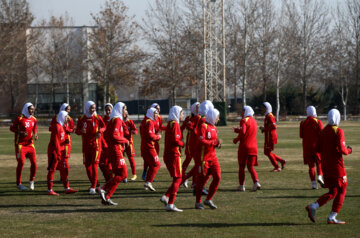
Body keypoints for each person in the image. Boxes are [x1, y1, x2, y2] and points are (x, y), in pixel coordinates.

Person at [306, 109, 352, 224]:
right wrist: (349, 150)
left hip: (326, 166)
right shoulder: (338, 131)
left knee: (333, 191)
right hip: (337, 167)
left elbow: (317, 149)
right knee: (342, 189)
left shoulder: (323, 131)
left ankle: (314, 206)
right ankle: (332, 216)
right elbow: (342, 150)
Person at [99, 102, 129, 205]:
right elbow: (114, 136)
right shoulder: (116, 120)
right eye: (125, 109)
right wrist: (124, 141)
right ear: (120, 110)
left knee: (118, 175)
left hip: (114, 150)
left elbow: (107, 134)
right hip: (116, 151)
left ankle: (107, 197)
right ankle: (103, 189)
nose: (126, 111)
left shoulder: (114, 119)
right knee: (123, 174)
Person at [75, 101, 106, 194]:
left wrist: (100, 131)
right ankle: (95, 184)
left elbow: (104, 127)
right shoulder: (81, 118)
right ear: (87, 108)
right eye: (92, 108)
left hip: (96, 146)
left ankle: (93, 187)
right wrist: (81, 131)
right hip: (86, 146)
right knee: (87, 166)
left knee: (94, 165)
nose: (93, 110)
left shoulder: (97, 118)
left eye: (94, 108)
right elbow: (77, 131)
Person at [195, 108, 222, 210]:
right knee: (201, 181)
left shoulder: (214, 127)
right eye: (217, 117)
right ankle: (198, 202)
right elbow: (201, 141)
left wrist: (218, 144)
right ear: (212, 116)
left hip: (213, 157)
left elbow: (213, 142)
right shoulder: (203, 126)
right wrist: (214, 143)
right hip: (204, 158)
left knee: (218, 177)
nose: (218, 119)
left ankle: (208, 199)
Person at [160, 106, 184, 212]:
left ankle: (166, 196)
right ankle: (170, 203)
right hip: (173, 155)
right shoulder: (175, 124)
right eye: (182, 113)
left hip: (168, 154)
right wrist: (182, 144)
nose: (182, 115)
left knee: (177, 178)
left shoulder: (170, 124)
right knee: (178, 178)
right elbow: (175, 140)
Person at [47, 111, 77, 195]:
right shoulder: (57, 126)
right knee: (52, 170)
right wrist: (58, 153)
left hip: (60, 150)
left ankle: (67, 188)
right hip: (54, 151)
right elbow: (56, 141)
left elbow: (61, 139)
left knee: (63, 169)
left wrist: (65, 141)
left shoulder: (62, 126)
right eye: (66, 116)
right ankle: (50, 190)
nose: (67, 118)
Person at [10, 102, 38, 191]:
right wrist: (20, 132)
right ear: (26, 109)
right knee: (21, 162)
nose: (32, 111)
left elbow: (34, 127)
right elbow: (11, 128)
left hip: (30, 144)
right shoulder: (19, 118)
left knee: (34, 163)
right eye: (31, 109)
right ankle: (19, 183)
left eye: (33, 109)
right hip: (20, 144)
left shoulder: (34, 119)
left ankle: (31, 181)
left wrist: (35, 134)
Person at [233, 106, 261, 192]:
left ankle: (242, 186)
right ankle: (256, 182)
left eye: (243, 111)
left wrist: (236, 140)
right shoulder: (254, 121)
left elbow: (243, 132)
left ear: (246, 111)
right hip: (253, 147)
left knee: (241, 166)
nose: (241, 113)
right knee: (250, 166)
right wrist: (238, 130)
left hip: (244, 147)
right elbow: (247, 131)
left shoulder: (244, 120)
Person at [300, 106, 324, 189]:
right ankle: (320, 176)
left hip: (306, 147)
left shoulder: (302, 122)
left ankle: (314, 184)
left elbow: (301, 135)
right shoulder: (318, 122)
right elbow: (322, 135)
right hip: (316, 146)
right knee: (319, 163)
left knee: (311, 166)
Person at [141, 103, 166, 180]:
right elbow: (146, 131)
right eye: (156, 108)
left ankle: (150, 176)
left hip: (155, 140)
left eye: (159, 108)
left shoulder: (159, 117)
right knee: (149, 159)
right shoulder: (149, 119)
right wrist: (156, 136)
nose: (158, 110)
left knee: (155, 158)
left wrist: (167, 128)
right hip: (151, 140)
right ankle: (145, 173)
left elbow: (160, 127)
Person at [259, 102, 286, 172]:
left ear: (267, 108)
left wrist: (265, 129)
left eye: (263, 107)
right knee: (267, 152)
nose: (261, 109)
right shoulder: (267, 116)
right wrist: (264, 129)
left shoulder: (270, 116)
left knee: (267, 152)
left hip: (270, 137)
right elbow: (269, 126)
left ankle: (277, 167)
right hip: (268, 137)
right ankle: (281, 161)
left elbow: (274, 126)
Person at [140, 108, 161, 191]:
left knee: (152, 165)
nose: (157, 115)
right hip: (149, 147)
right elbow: (150, 136)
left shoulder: (146, 121)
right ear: (151, 113)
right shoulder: (149, 122)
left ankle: (147, 183)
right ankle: (149, 182)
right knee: (157, 164)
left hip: (146, 146)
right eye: (155, 113)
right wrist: (158, 137)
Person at [181, 102, 200, 188]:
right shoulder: (189, 118)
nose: (198, 109)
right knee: (188, 159)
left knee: (197, 163)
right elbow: (182, 128)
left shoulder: (200, 117)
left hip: (198, 143)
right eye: (197, 107)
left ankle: (194, 182)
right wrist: (181, 139)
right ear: (193, 108)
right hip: (190, 142)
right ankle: (182, 177)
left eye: (199, 107)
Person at [99, 103, 113, 183]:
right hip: (104, 143)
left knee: (111, 161)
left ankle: (115, 176)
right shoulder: (103, 119)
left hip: (112, 143)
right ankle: (109, 177)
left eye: (109, 110)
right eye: (106, 110)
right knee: (104, 162)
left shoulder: (114, 119)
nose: (108, 111)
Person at [123, 110, 138, 181]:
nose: (126, 115)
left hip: (129, 143)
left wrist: (134, 132)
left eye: (127, 114)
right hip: (121, 143)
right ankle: (123, 175)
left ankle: (134, 174)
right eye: (125, 114)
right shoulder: (120, 121)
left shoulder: (130, 122)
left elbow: (136, 130)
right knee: (122, 160)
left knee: (131, 159)